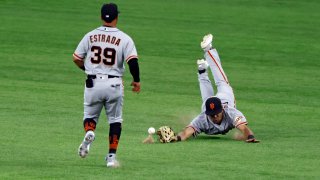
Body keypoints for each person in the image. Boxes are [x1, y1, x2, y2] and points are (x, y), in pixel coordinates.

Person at [72, 3, 141, 167]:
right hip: (114, 85)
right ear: (117, 17)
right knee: (115, 120)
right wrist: (136, 80)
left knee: (90, 116)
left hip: (92, 82)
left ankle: (89, 131)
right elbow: (133, 62)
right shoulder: (125, 38)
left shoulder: (90, 36)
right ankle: (111, 158)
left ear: (101, 16)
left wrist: (87, 69)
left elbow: (76, 58)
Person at [171, 34, 259, 143]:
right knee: (207, 99)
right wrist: (176, 138)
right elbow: (186, 132)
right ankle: (202, 69)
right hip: (208, 104)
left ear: (222, 109)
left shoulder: (231, 113)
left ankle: (207, 55)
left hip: (225, 97)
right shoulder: (202, 118)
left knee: (221, 81)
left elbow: (244, 129)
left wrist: (250, 137)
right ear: (207, 113)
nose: (215, 116)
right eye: (212, 114)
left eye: (217, 112)